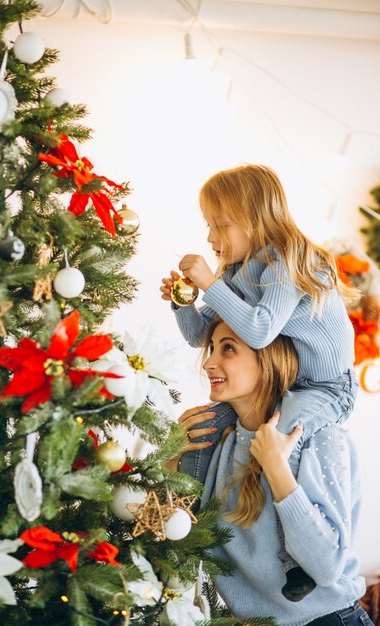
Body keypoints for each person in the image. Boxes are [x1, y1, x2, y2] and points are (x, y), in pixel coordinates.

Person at [160, 164, 358, 601]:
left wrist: (210, 282)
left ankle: (296, 565)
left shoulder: (286, 262)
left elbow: (261, 331)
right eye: (207, 227)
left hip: (327, 387)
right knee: (209, 423)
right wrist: (184, 302)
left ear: (253, 218)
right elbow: (200, 335)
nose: (211, 238)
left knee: (281, 437)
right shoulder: (237, 272)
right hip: (293, 383)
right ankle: (184, 523)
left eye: (220, 225)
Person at [167, 320, 370, 626]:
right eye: (211, 348)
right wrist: (171, 459)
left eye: (228, 349)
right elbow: (181, 538)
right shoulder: (219, 443)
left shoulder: (321, 438)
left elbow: (327, 567)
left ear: (269, 357)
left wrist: (276, 470)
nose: (209, 362)